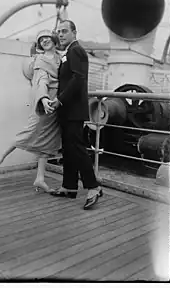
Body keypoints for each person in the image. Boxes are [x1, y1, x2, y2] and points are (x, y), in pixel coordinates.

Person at [0, 30, 61, 193]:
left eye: (47, 38)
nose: (45, 41)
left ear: (54, 39)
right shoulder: (41, 60)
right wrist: (43, 99)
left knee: (47, 140)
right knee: (29, 132)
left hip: (54, 104)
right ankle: (0, 157)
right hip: (44, 103)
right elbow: (42, 81)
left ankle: (40, 178)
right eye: (41, 40)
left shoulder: (59, 58)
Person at [48, 20, 103, 210]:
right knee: (69, 149)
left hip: (73, 109)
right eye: (58, 32)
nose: (61, 34)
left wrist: (60, 99)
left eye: (64, 31)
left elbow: (78, 79)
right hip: (67, 110)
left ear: (74, 33)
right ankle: (69, 187)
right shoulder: (69, 52)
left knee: (77, 149)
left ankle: (93, 187)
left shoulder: (76, 50)